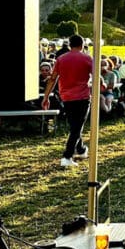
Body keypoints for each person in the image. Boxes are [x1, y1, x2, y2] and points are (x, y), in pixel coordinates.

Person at [42, 34, 93, 168]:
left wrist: (46, 97)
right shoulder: (87, 58)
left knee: (75, 126)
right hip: (82, 96)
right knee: (77, 127)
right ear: (82, 45)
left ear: (69, 45)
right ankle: (67, 156)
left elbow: (53, 79)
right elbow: (96, 75)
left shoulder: (60, 59)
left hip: (66, 97)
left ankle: (81, 150)